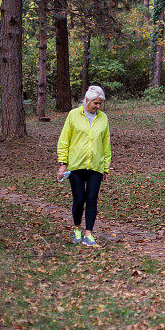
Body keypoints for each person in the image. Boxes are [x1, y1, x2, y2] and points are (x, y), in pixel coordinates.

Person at [56, 85, 112, 247]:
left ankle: (89, 233)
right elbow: (64, 140)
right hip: (76, 166)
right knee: (79, 199)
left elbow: (106, 144)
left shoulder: (103, 118)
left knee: (92, 199)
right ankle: (77, 229)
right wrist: (62, 163)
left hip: (96, 167)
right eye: (95, 103)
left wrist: (106, 167)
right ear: (87, 100)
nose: (97, 106)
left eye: (100, 104)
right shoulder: (74, 115)